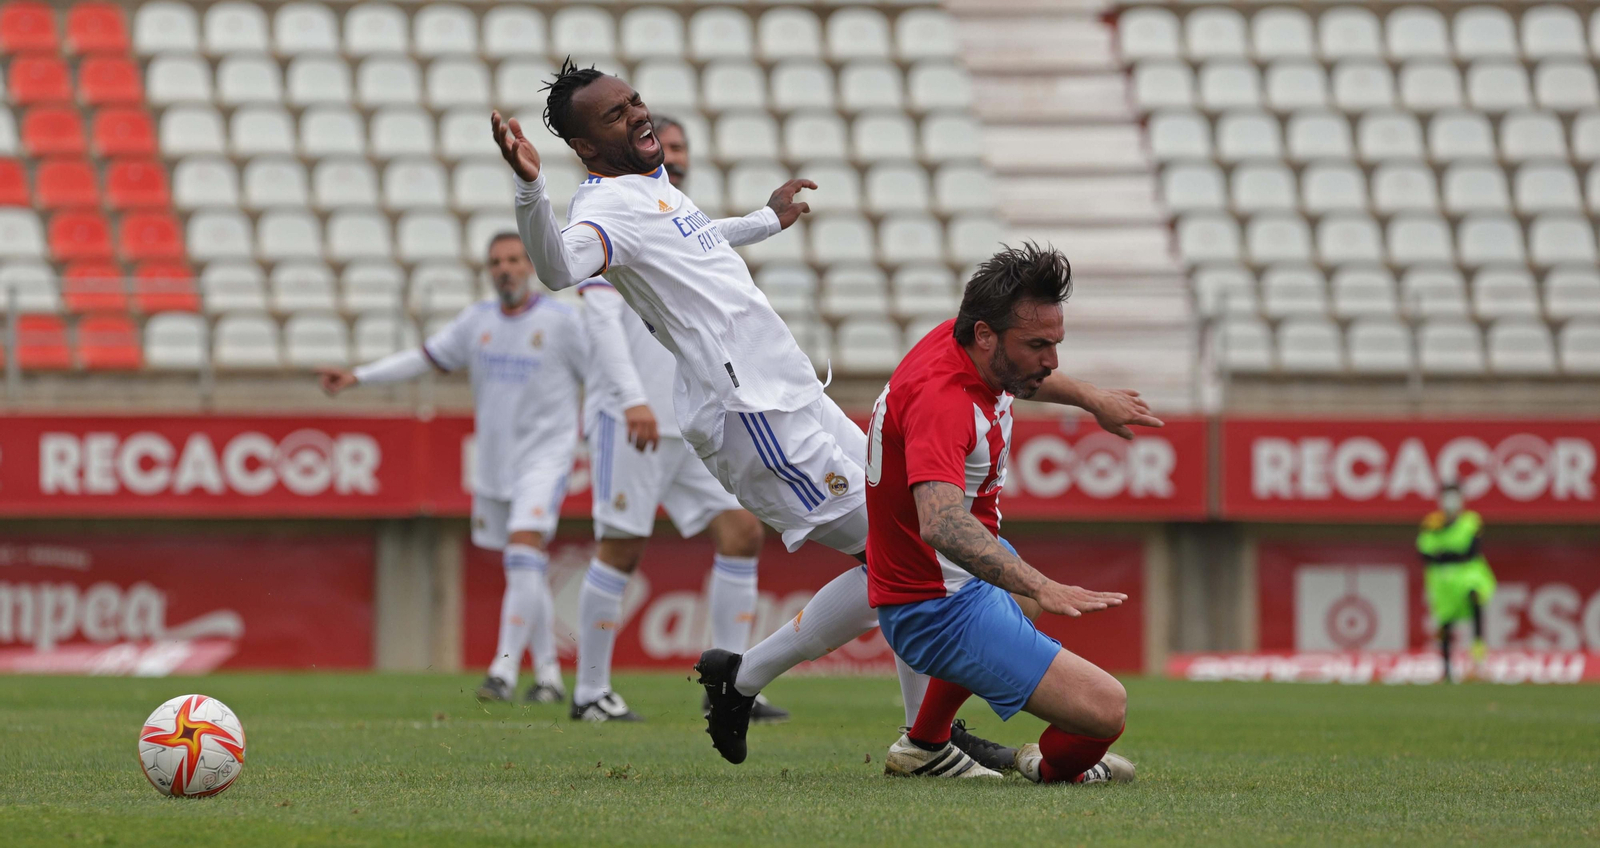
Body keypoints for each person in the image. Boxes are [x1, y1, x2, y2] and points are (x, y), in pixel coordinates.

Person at [490, 60, 1159, 767]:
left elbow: (695, 241)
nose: (636, 115)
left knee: (901, 554)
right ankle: (844, 713)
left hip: (793, 393)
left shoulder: (651, 190)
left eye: (635, 101)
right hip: (752, 416)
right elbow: (560, 268)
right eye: (615, 115)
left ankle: (852, 716)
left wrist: (763, 220)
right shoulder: (601, 206)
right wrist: (531, 188)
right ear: (588, 147)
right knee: (905, 556)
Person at [867, 243, 1138, 785]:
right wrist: (1043, 584)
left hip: (942, 583)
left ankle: (924, 745)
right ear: (987, 335)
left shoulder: (963, 337)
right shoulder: (944, 401)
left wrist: (1090, 398)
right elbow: (941, 522)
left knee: (1015, 592)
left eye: (1056, 344)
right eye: (1038, 344)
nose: (1052, 361)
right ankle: (1051, 768)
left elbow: (1028, 375)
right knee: (1106, 710)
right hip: (936, 607)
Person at [571, 112, 788, 724]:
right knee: (621, 547)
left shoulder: (676, 219)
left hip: (692, 420)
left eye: (680, 146)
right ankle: (590, 692)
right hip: (632, 420)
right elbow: (601, 321)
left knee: (742, 532)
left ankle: (731, 681)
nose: (674, 154)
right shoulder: (609, 219)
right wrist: (631, 399)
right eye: (663, 144)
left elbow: (711, 238)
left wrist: (766, 220)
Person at [319, 233, 586, 705]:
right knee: (526, 566)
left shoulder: (564, 323)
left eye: (513, 260)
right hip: (494, 463)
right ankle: (547, 677)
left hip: (546, 459)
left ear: (531, 266)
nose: (504, 269)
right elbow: (421, 359)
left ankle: (502, 672)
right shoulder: (476, 322)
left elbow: (605, 379)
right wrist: (359, 375)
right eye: (495, 262)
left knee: (523, 553)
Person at [1418, 483, 1496, 682]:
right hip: (1442, 580)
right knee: (1445, 622)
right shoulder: (1431, 523)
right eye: (1447, 497)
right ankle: (1446, 670)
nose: (1450, 502)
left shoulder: (1471, 521)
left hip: (1468, 574)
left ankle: (1478, 660)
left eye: (1454, 497)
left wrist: (1444, 552)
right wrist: (1450, 553)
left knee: (1475, 600)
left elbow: (1470, 551)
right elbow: (1424, 553)